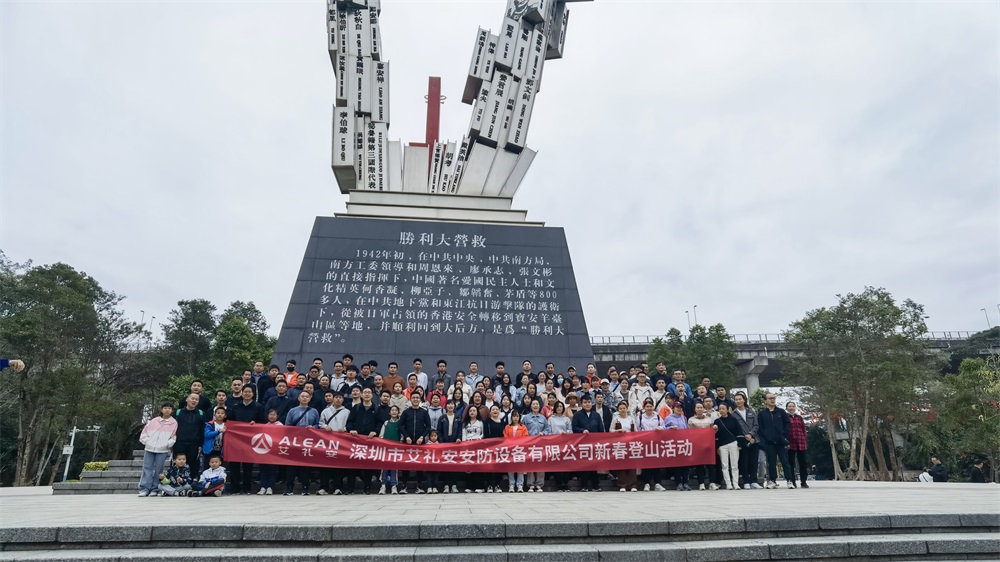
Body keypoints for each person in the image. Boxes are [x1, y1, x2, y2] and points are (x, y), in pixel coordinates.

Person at [228, 385, 264, 494]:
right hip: (235, 439)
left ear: (253, 394)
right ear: (242, 393)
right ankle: (235, 488)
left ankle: (246, 488)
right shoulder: (235, 406)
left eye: (249, 392)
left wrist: (255, 424)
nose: (247, 394)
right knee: (234, 464)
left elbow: (262, 422)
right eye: (245, 392)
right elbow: (230, 420)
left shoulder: (258, 407)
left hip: (250, 439)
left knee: (247, 465)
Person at [283, 391, 319, 495]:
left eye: (306, 397)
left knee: (306, 466)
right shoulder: (292, 411)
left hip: (308, 442)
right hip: (294, 442)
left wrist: (313, 428)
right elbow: (287, 426)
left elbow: (317, 424)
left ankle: (305, 488)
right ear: (298, 398)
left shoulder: (314, 411)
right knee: (291, 467)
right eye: (302, 396)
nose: (304, 398)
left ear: (310, 398)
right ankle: (289, 488)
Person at [138, 402, 177, 497]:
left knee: (159, 470)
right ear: (161, 409)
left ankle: (155, 489)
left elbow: (173, 437)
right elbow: (144, 433)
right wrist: (147, 441)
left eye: (169, 408)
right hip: (149, 448)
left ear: (172, 411)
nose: (167, 410)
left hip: (162, 450)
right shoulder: (154, 421)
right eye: (165, 408)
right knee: (147, 468)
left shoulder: (174, 423)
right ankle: (144, 488)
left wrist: (167, 444)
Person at [346, 387, 380, 494]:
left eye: (369, 393)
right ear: (361, 395)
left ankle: (367, 488)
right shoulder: (356, 408)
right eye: (365, 392)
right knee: (352, 465)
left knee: (368, 465)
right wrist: (351, 430)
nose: (367, 394)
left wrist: (375, 431)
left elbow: (379, 423)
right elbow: (350, 422)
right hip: (356, 440)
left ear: (372, 395)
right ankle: (350, 488)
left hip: (369, 441)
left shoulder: (376, 409)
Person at [758, 393, 792, 489]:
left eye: (773, 398)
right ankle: (772, 480)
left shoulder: (781, 412)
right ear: (765, 400)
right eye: (770, 398)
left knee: (785, 462)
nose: (772, 400)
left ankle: (789, 480)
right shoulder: (762, 413)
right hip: (769, 442)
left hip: (781, 441)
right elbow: (760, 427)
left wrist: (784, 435)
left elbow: (787, 423)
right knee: (771, 462)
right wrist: (764, 437)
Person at [399, 392, 431, 494]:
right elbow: (400, 426)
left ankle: (419, 486)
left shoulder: (424, 412)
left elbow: (428, 426)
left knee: (419, 465)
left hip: (420, 443)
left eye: (417, 398)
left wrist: (422, 437)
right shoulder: (406, 412)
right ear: (410, 399)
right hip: (407, 442)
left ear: (420, 399)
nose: (415, 399)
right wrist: (406, 436)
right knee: (405, 464)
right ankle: (404, 486)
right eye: (413, 398)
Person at [319, 391, 350, 495]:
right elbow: (320, 423)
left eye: (340, 397)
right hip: (327, 441)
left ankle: (338, 487)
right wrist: (325, 427)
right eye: (336, 397)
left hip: (340, 442)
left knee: (338, 465)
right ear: (333, 399)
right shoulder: (326, 411)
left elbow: (350, 424)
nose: (338, 399)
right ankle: (324, 487)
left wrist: (344, 429)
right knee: (324, 464)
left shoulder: (347, 412)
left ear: (343, 399)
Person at [572, 395, 605, 491]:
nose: (587, 404)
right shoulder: (577, 415)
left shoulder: (596, 415)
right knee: (584, 464)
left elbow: (601, 429)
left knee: (594, 464)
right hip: (582, 443)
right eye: (585, 402)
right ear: (581, 404)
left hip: (594, 443)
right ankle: (584, 486)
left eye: (589, 402)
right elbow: (574, 428)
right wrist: (582, 431)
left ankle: (596, 485)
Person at [174, 394, 207, 480]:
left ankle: (192, 482)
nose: (194, 401)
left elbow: (202, 429)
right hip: (179, 442)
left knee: (193, 464)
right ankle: (177, 482)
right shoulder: (178, 412)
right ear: (187, 399)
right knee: (178, 464)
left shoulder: (201, 414)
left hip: (194, 444)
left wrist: (201, 444)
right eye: (192, 398)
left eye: (197, 399)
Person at [731, 391, 761, 489]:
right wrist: (745, 436)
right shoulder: (733, 414)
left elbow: (756, 425)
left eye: (740, 399)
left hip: (754, 440)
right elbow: (735, 429)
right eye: (736, 400)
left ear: (744, 400)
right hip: (742, 441)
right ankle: (746, 481)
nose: (738, 401)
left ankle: (753, 480)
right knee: (744, 462)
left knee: (754, 461)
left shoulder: (751, 412)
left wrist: (751, 435)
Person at [636, 398, 664, 491]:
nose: (649, 408)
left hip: (656, 443)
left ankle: (657, 483)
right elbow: (637, 429)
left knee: (657, 464)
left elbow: (664, 427)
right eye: (647, 406)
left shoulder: (658, 416)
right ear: (644, 407)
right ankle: (646, 483)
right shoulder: (640, 417)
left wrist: (660, 428)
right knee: (646, 464)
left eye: (651, 406)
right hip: (645, 443)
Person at [662, 402, 691, 491]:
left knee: (686, 465)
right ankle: (679, 483)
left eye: (680, 408)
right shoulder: (668, 418)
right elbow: (664, 429)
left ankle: (685, 482)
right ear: (673, 408)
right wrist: (670, 429)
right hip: (673, 443)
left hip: (683, 443)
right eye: (677, 407)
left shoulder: (684, 417)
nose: (679, 409)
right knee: (677, 465)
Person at [610, 401, 638, 492]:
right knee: (621, 464)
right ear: (618, 410)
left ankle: (632, 485)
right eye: (620, 408)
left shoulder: (631, 419)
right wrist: (618, 431)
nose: (622, 410)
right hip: (620, 444)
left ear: (627, 409)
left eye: (624, 408)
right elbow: (611, 430)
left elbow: (636, 431)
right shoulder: (616, 419)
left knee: (632, 464)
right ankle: (623, 485)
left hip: (630, 444)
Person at [522, 400, 549, 492]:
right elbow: (522, 429)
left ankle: (539, 484)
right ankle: (530, 484)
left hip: (540, 444)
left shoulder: (543, 418)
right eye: (533, 404)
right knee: (530, 463)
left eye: (537, 404)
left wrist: (543, 433)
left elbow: (547, 429)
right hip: (529, 444)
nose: (535, 405)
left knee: (540, 464)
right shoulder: (526, 418)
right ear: (530, 406)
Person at [714, 403, 742, 491]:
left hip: (733, 443)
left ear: (727, 409)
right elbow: (716, 436)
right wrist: (717, 446)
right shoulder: (717, 421)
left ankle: (736, 483)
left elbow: (739, 432)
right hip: (722, 445)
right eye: (720, 409)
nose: (721, 410)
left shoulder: (734, 420)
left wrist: (740, 444)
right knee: (724, 465)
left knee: (734, 465)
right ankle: (728, 484)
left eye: (723, 408)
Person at [437, 399, 462, 493]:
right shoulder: (442, 417)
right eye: (448, 404)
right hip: (445, 444)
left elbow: (460, 430)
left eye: (452, 404)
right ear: (446, 406)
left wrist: (459, 438)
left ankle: (454, 485)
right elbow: (439, 431)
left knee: (454, 465)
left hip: (455, 444)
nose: (450, 406)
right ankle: (446, 485)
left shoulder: (458, 417)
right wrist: (441, 441)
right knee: (445, 465)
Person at [257, 409, 282, 495]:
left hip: (274, 452)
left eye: (274, 414)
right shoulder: (264, 426)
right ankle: (263, 487)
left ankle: (270, 487)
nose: (272, 416)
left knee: (272, 470)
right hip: (264, 451)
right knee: (263, 469)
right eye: (270, 414)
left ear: (277, 416)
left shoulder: (281, 426)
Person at [378, 405, 403, 495]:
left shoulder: (400, 423)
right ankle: (383, 485)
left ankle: (394, 485)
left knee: (394, 467)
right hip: (386, 449)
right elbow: (381, 435)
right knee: (384, 467)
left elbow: (402, 436)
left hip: (396, 450)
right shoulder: (386, 423)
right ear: (389, 412)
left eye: (396, 410)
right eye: (392, 410)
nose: (394, 412)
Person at [483, 404, 507, 493]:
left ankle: (497, 485)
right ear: (490, 412)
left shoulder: (503, 423)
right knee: (489, 466)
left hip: (500, 448)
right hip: (489, 447)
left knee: (498, 467)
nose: (495, 411)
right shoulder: (486, 422)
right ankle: (489, 485)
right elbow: (485, 435)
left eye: (497, 409)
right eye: (493, 409)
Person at [461, 404, 485, 493]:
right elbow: (464, 434)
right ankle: (469, 486)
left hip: (478, 446)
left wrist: (479, 439)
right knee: (469, 467)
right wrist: (464, 444)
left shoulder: (480, 422)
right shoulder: (465, 423)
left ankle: (479, 486)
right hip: (468, 447)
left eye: (474, 410)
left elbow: (483, 434)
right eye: (470, 411)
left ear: (477, 412)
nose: (472, 412)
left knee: (478, 466)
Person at [785, 401, 809, 489]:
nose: (791, 408)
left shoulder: (799, 418)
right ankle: (792, 481)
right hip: (790, 443)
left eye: (793, 406)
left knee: (803, 463)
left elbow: (803, 429)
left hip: (801, 442)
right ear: (786, 408)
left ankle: (804, 481)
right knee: (791, 463)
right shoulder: (785, 417)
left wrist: (804, 439)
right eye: (789, 406)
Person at [504, 410, 529, 492]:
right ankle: (511, 485)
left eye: (517, 416)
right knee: (510, 468)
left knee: (520, 468)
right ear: (511, 417)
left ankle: (520, 485)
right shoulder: (507, 427)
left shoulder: (523, 427)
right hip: (510, 449)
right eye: (514, 416)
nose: (515, 418)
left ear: (519, 417)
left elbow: (526, 437)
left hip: (520, 449)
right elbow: (505, 437)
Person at [202, 407, 227, 474]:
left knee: (219, 469)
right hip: (209, 450)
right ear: (214, 414)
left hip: (221, 451)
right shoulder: (210, 424)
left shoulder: (227, 425)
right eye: (218, 413)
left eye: (222, 413)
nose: (220, 415)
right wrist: (219, 431)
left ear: (225, 415)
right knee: (207, 468)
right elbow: (207, 435)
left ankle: (219, 483)